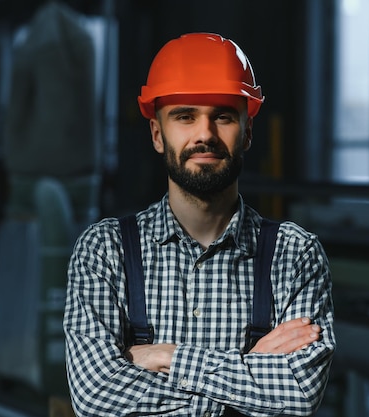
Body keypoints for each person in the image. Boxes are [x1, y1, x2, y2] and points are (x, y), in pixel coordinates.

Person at [64, 32, 335, 416]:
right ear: (158, 135)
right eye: (185, 116)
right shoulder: (104, 251)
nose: (205, 134)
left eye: (223, 116)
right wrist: (247, 375)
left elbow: (297, 396)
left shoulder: (295, 256)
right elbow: (95, 398)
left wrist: (169, 357)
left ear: (248, 133)